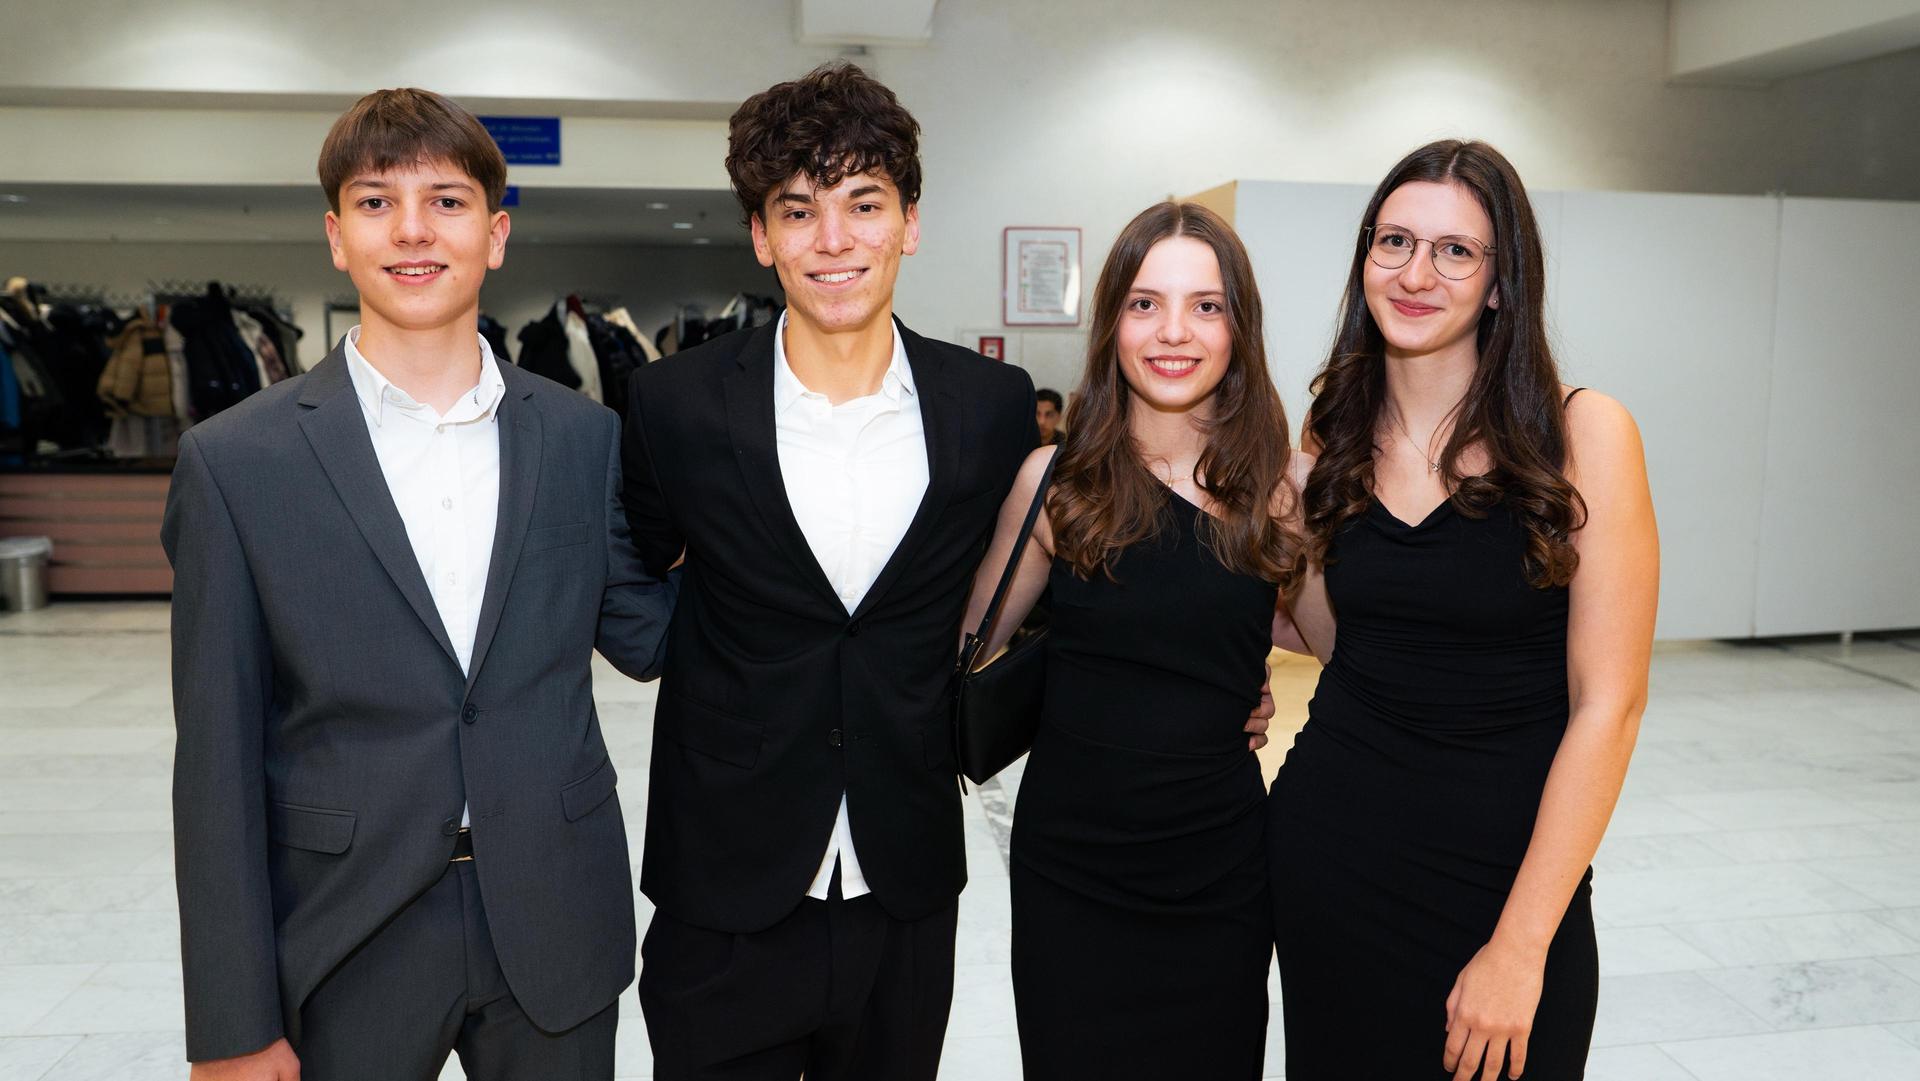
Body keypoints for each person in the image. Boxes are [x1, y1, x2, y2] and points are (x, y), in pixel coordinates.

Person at [163, 88, 674, 1081]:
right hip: (347, 928)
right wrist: (230, 1020)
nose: (411, 229)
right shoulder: (237, 461)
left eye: (446, 200)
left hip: (556, 921)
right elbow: (215, 757)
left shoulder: (585, 439)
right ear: (335, 236)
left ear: (497, 234)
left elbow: (652, 636)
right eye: (374, 201)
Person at [618, 63, 1038, 1081]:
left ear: (909, 222)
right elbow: (639, 551)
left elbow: (1022, 586)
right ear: (761, 236)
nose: (834, 240)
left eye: (864, 204)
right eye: (798, 211)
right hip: (725, 877)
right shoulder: (673, 404)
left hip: (905, 880)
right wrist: (712, 657)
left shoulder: (988, 406)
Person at [1267, 139, 1658, 1081]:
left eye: (1455, 250)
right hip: (1331, 859)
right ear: (1364, 258)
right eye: (1394, 240)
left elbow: (1610, 705)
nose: (1415, 272)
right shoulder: (1331, 436)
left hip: (1508, 878)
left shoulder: (1582, 434)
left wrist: (1522, 946)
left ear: (1500, 282)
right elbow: (1343, 644)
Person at [961, 201, 1307, 1080]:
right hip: (1071, 867)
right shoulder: (1055, 482)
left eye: (1206, 304)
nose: (1174, 332)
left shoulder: (1276, 491)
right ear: (1112, 318)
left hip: (1218, 867)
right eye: (1145, 303)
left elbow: (1357, 652)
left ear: (1240, 327)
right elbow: (964, 654)